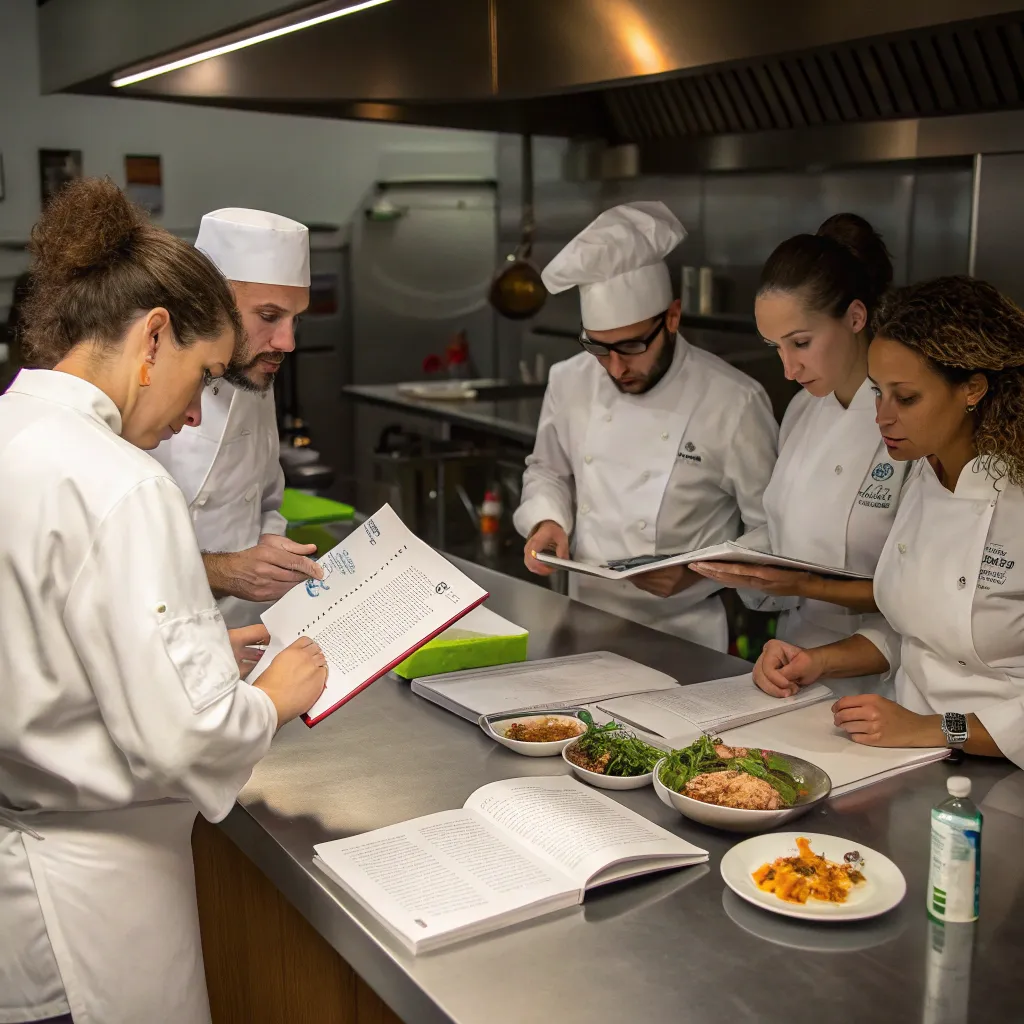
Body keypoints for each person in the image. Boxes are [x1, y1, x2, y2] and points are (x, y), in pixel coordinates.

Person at [0, 178, 327, 1024]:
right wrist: (271, 699)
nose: (192, 413)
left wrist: (204, 657)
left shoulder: (15, 431)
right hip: (97, 909)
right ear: (153, 337)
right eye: (201, 374)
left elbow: (50, 650)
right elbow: (188, 739)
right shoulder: (124, 481)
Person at [753, 276, 1024, 770]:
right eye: (878, 393)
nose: (882, 418)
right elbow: (917, 633)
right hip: (907, 754)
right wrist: (819, 660)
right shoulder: (925, 473)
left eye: (906, 398)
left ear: (973, 389)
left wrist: (930, 728)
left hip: (998, 769)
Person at [514, 202, 779, 651]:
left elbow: (771, 533)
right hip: (582, 625)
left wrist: (695, 570)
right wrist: (547, 520)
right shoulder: (570, 380)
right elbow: (547, 470)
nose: (616, 367)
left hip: (684, 639)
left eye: (632, 345)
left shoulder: (734, 402)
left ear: (672, 317)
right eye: (598, 348)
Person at [691, 214, 909, 693]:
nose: (789, 369)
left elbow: (921, 586)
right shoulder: (802, 409)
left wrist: (795, 584)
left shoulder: (910, 418)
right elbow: (783, 528)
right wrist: (728, 562)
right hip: (794, 665)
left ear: (856, 317)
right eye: (775, 348)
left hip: (887, 680)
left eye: (802, 343)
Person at [151, 207, 322, 628]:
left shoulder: (252, 368)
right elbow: (113, 556)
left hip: (246, 630)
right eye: (268, 317)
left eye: (295, 318)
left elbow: (265, 496)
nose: (287, 341)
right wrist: (224, 571)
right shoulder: (141, 386)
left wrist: (272, 552)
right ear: (208, 305)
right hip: (158, 634)